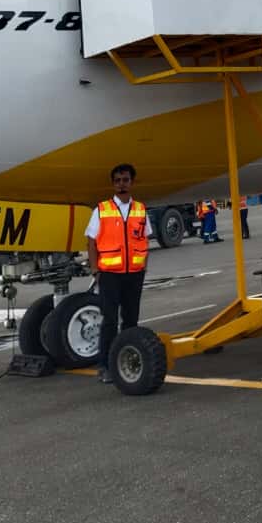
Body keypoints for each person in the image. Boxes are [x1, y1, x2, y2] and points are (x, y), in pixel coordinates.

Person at [86, 163, 151, 384]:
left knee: (131, 320)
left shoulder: (141, 209)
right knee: (110, 321)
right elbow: (91, 242)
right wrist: (95, 270)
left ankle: (129, 359)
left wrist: (143, 267)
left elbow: (145, 239)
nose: (121, 184)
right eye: (117, 181)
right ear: (113, 184)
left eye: (125, 180)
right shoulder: (101, 210)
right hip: (110, 275)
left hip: (134, 274)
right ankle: (105, 365)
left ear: (132, 182)